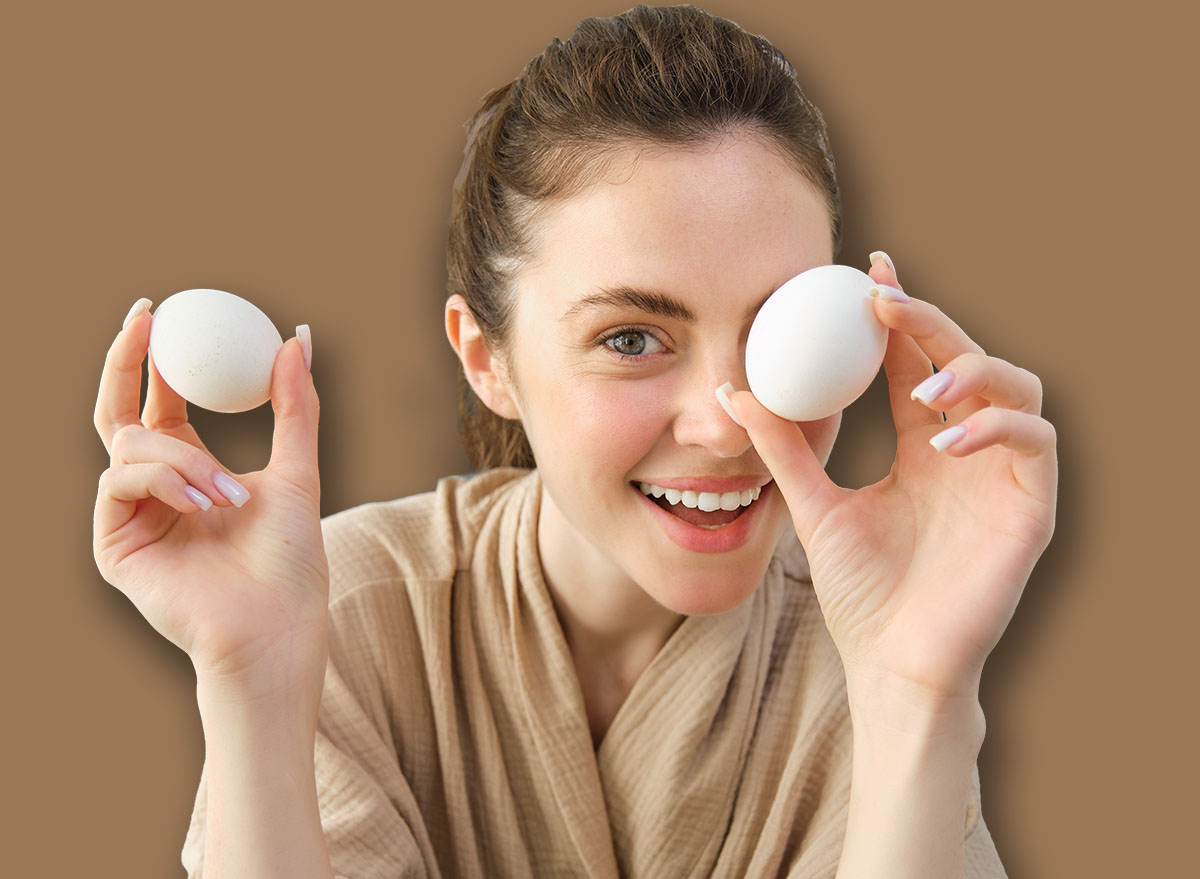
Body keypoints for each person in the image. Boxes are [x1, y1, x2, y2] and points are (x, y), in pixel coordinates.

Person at [92, 5, 1056, 877]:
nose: (728, 424)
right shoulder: (340, 617)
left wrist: (915, 692)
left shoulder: (875, 633)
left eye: (773, 335)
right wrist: (253, 681)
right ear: (487, 358)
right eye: (631, 339)